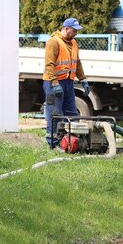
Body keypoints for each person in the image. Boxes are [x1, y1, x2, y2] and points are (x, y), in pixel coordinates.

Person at [43, 18, 90, 149]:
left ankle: (72, 142)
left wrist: (83, 80)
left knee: (71, 113)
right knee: (54, 114)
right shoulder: (53, 42)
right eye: (74, 30)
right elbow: (49, 64)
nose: (75, 33)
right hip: (53, 83)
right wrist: (54, 83)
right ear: (66, 28)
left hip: (68, 82)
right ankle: (52, 143)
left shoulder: (73, 43)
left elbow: (77, 62)